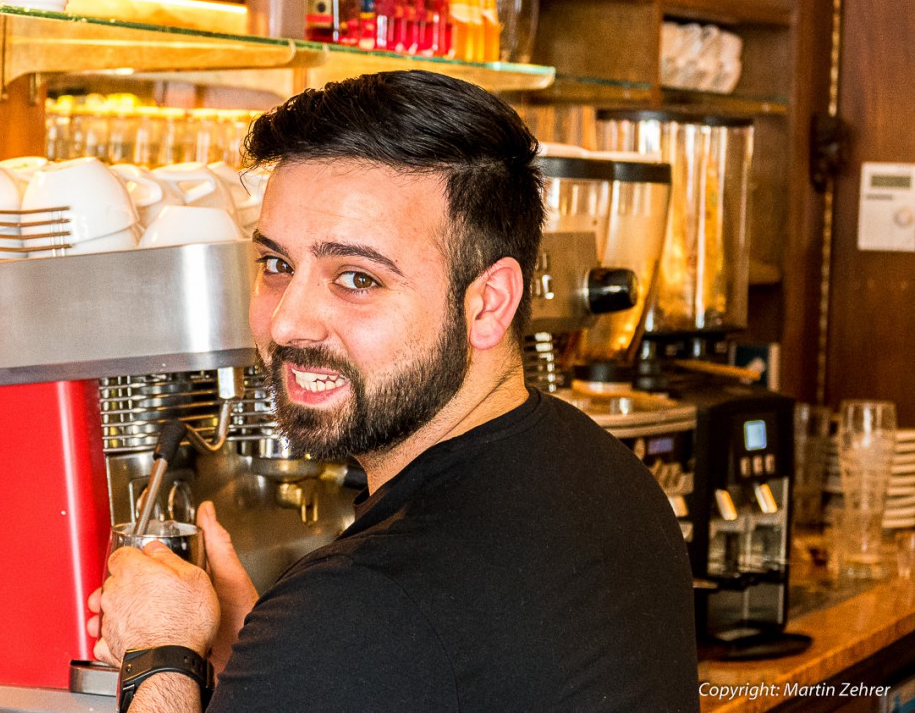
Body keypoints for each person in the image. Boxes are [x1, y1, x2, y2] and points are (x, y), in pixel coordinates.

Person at [88, 69, 700, 712]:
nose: (289, 321)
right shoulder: (610, 478)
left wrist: (161, 652)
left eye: (356, 278)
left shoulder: (363, 602)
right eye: (276, 265)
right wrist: (267, 657)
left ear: (488, 304)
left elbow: (387, 633)